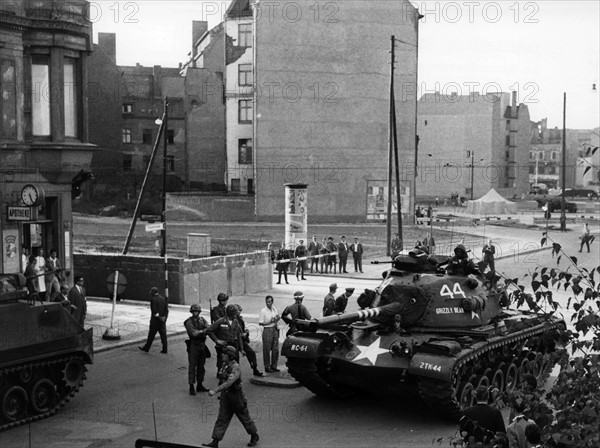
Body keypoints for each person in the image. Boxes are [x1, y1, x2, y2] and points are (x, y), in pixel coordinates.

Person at [202, 346, 259, 448]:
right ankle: (215, 440)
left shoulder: (235, 367)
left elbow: (229, 382)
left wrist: (216, 390)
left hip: (236, 396)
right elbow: (222, 378)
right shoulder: (224, 365)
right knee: (222, 418)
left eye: (224, 354)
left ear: (230, 356)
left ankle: (254, 435)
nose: (222, 355)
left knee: (244, 417)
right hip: (226, 396)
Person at [208, 304, 244, 371]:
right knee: (222, 363)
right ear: (231, 313)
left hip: (234, 345)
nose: (236, 315)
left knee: (235, 363)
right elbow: (209, 330)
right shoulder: (220, 321)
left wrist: (241, 349)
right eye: (235, 313)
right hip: (224, 345)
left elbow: (238, 335)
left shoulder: (235, 322)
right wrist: (217, 340)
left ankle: (236, 379)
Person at [184, 303, 210, 395]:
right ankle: (191, 386)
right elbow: (193, 333)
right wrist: (203, 331)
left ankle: (200, 384)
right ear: (191, 312)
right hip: (194, 345)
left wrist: (202, 331)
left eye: (197, 311)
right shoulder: (188, 322)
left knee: (201, 366)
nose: (195, 313)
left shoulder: (202, 320)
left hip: (202, 345)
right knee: (192, 366)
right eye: (194, 311)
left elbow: (209, 328)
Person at [235, 304, 263, 377]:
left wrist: (246, 333)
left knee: (251, 353)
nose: (240, 312)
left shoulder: (240, 319)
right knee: (234, 358)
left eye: (240, 311)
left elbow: (243, 329)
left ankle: (255, 369)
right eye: (239, 311)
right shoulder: (231, 320)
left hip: (242, 340)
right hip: (234, 341)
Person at [139, 286, 168, 353]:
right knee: (163, 336)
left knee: (151, 335)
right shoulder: (163, 299)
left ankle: (146, 348)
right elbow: (166, 310)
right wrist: (164, 318)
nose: (150, 293)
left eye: (151, 292)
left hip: (155, 321)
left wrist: (158, 316)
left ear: (153, 292)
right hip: (162, 321)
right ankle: (165, 349)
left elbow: (154, 310)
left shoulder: (153, 299)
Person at [258, 295, 280, 373]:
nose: (268, 303)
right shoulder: (263, 311)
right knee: (267, 349)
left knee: (275, 349)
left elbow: (277, 317)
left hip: (274, 328)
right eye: (267, 302)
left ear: (272, 302)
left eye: (269, 302)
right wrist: (269, 322)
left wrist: (277, 319)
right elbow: (260, 323)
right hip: (267, 329)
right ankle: (267, 366)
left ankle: (274, 365)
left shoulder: (274, 309)